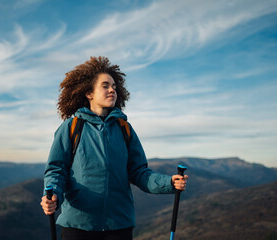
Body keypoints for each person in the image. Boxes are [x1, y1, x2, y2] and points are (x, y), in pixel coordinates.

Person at [40, 56, 188, 240]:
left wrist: (169, 183)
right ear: (89, 93)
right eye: (105, 86)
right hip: (78, 227)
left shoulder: (124, 129)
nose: (112, 90)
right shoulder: (71, 128)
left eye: (114, 87)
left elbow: (139, 172)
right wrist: (52, 194)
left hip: (119, 227)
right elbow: (56, 170)